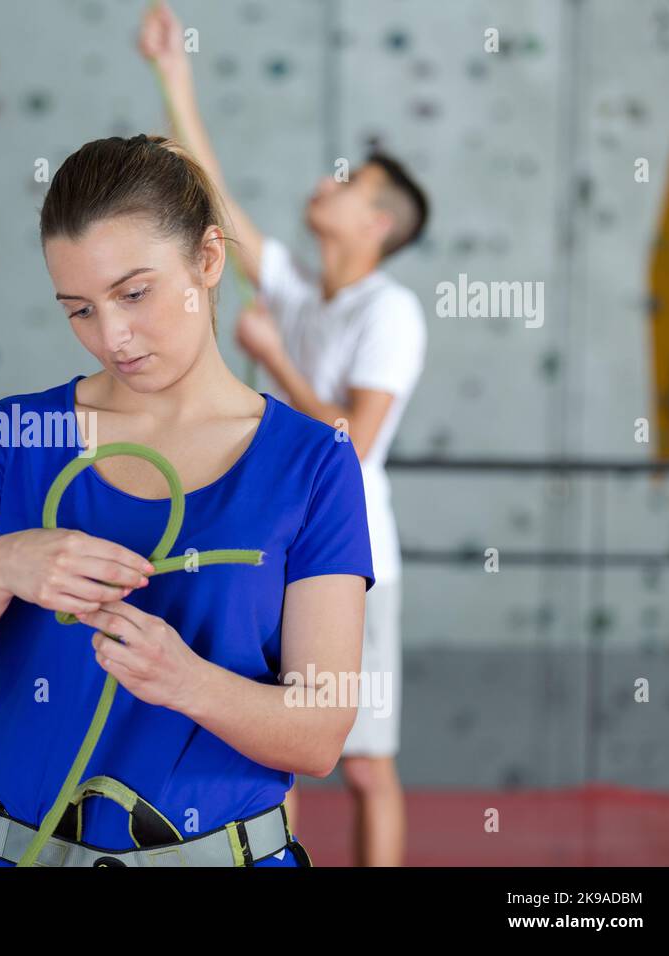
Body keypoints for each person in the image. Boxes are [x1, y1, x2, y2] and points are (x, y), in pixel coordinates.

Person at [0, 133, 376, 867]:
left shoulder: (313, 463)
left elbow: (319, 734)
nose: (112, 336)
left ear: (208, 260)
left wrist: (185, 682)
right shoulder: (13, 434)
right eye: (79, 310)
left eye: (134, 293)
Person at [138, 0, 428, 867]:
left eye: (349, 185)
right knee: (271, 752)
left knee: (367, 761)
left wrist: (271, 358)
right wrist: (172, 72)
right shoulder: (303, 292)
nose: (325, 184)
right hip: (273, 545)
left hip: (353, 556)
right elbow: (211, 194)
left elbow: (354, 440)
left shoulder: (393, 313)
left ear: (377, 224)